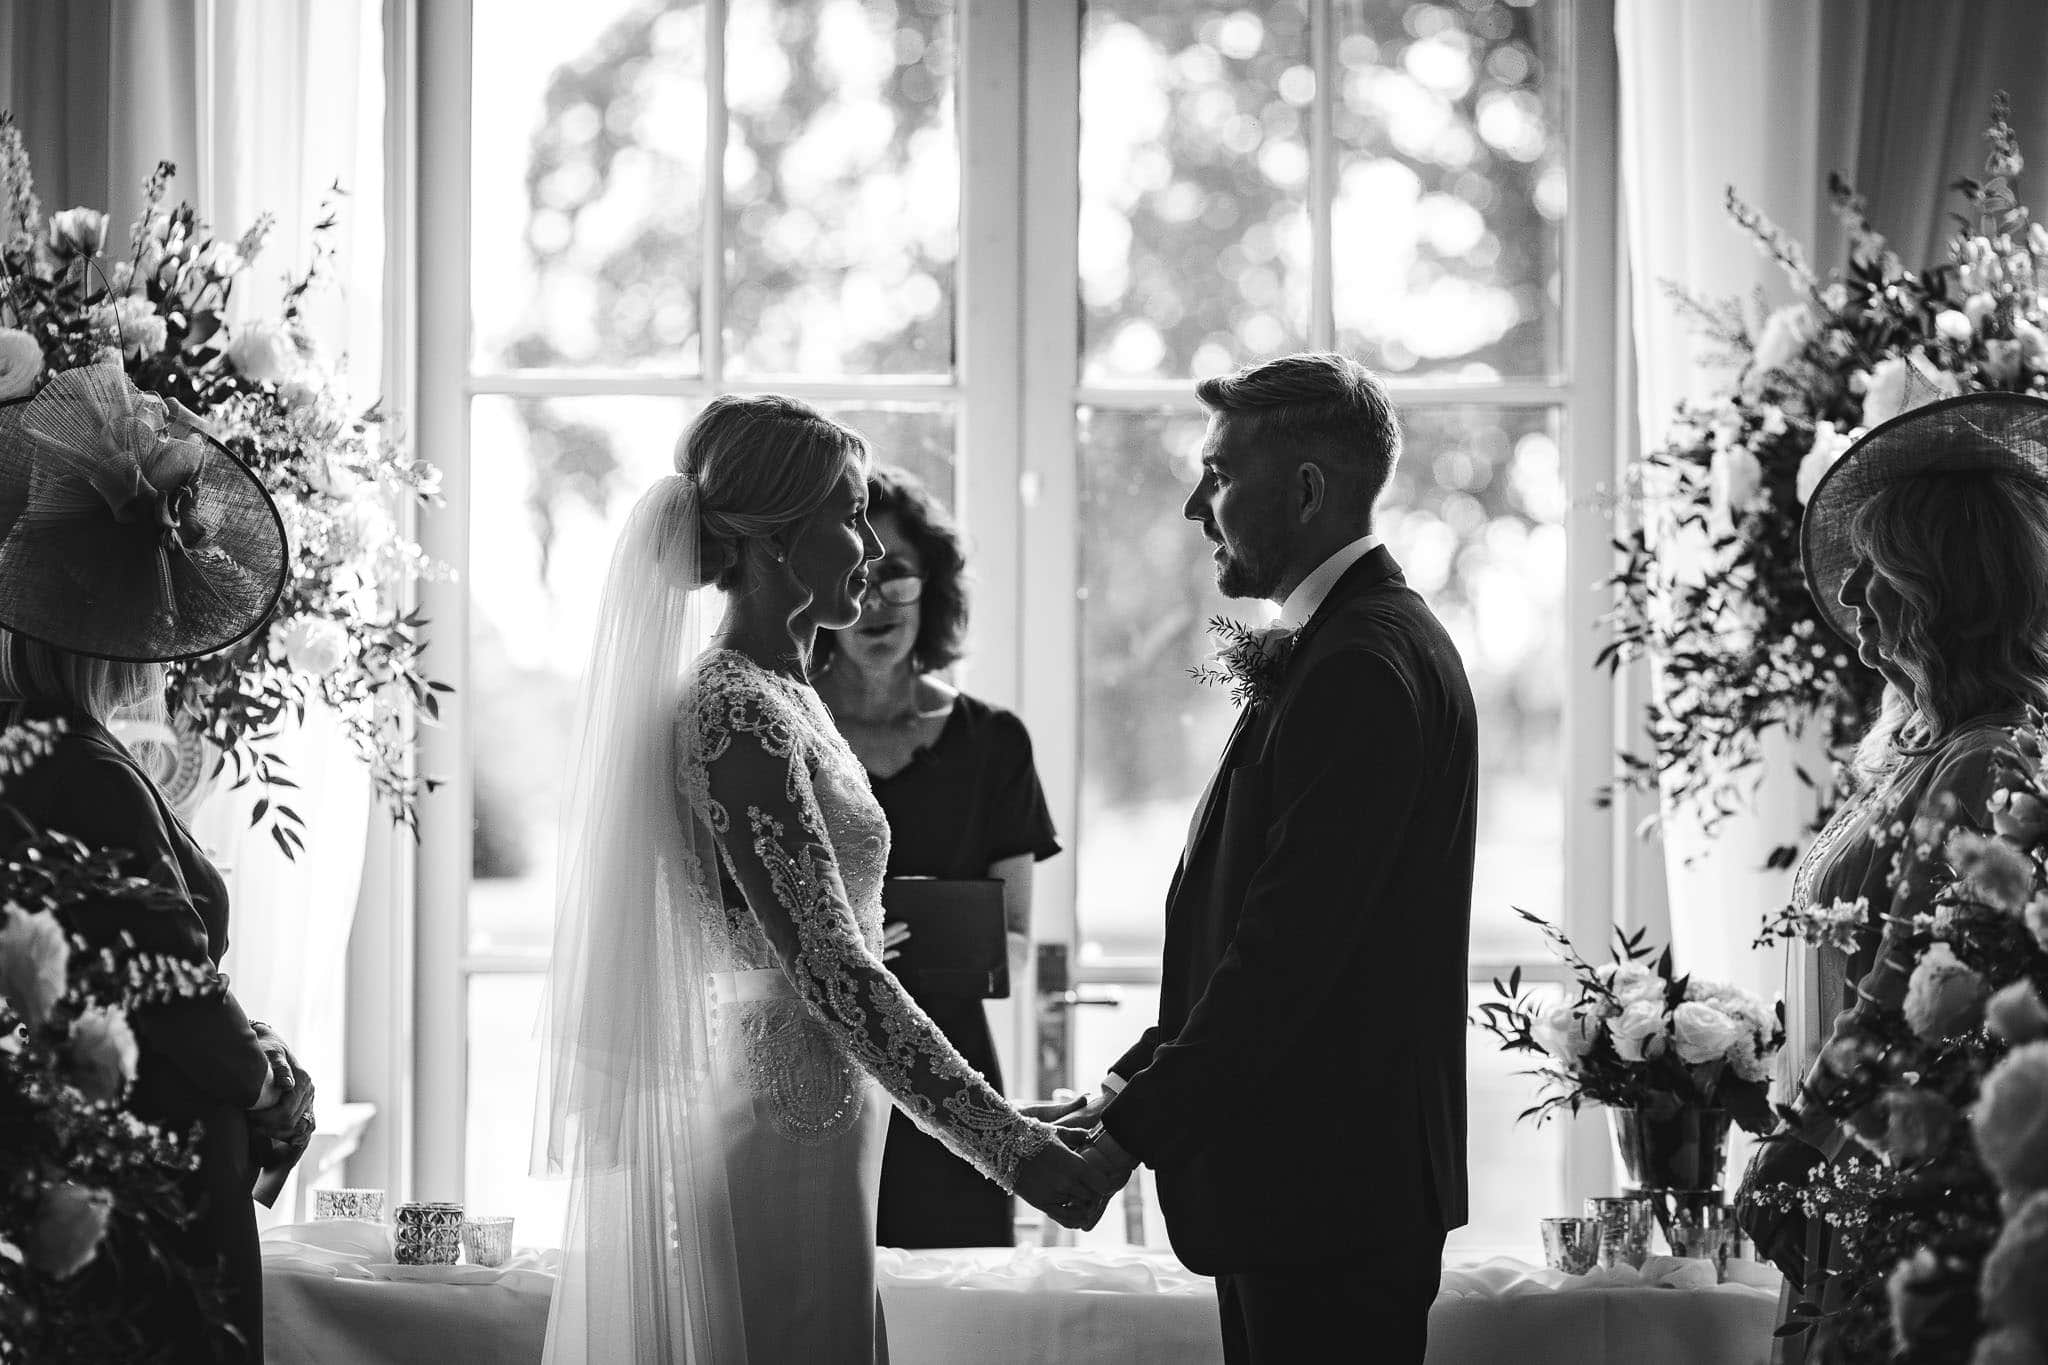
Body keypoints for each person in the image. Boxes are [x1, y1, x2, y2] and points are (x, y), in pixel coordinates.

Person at [538, 394, 1114, 1363]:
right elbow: (832, 970)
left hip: (825, 1106)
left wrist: (1007, 1117)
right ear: (776, 539)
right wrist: (1005, 1147)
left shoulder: (786, 693)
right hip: (782, 1110)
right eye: (849, 516)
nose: (872, 552)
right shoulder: (732, 711)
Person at [1056, 353, 1475, 1365]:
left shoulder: (1362, 667)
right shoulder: (1354, 643)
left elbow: (1284, 957)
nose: (1194, 506)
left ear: (1304, 488)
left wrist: (1122, 1143)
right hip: (1310, 1190)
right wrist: (1118, 1093)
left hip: (1324, 1196)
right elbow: (1252, 931)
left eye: (1216, 473)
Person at [0, 361, 316, 1361]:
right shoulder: (80, 770)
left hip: (105, 1156)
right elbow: (169, 988)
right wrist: (268, 1085)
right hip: (155, 1167)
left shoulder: (43, 754)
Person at [1735, 391, 2048, 1365]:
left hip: (1897, 1184)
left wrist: (1792, 1152)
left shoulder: (1985, 760)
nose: (1853, 597)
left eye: (1878, 571)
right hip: (1861, 1170)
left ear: (1940, 589)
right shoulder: (1930, 751)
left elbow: (1904, 995)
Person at [813, 466, 1061, 1249]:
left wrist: (939, 942)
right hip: (819, 1073)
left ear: (935, 586)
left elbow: (1015, 942)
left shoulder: (995, 742)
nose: (878, 600)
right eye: (857, 574)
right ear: (819, 589)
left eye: (898, 575)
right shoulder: (783, 729)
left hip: (953, 1084)